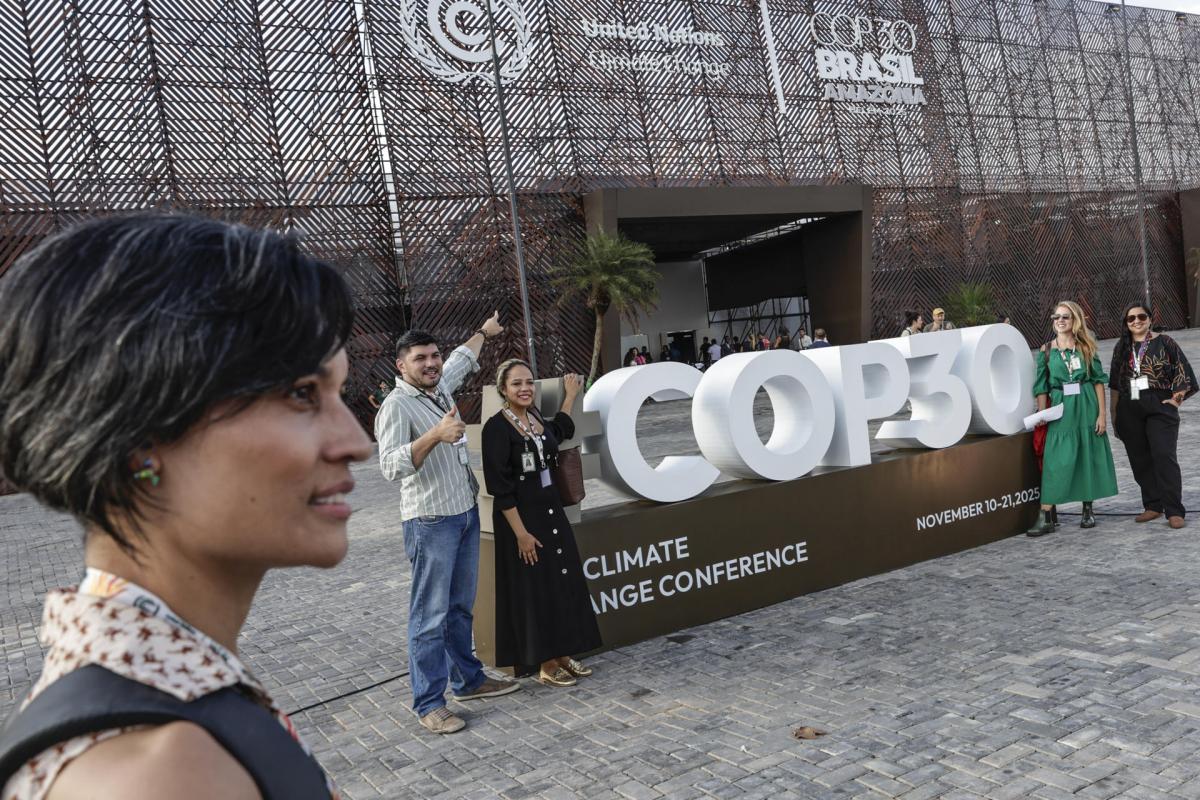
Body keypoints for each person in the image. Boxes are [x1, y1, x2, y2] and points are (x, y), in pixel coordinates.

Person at [0, 214, 373, 798]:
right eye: (302, 394)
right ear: (138, 439)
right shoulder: (158, 773)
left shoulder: (162, 694)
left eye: (339, 394)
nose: (356, 442)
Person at [375, 317, 521, 735]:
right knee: (430, 616)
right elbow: (389, 466)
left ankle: (469, 680)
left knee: (460, 607)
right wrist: (434, 435)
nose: (431, 363)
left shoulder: (439, 387)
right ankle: (429, 703)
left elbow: (462, 358)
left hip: (465, 513)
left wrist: (485, 331)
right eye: (420, 358)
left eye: (434, 355)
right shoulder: (396, 405)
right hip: (430, 521)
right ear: (401, 366)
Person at [482, 363, 602, 687]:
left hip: (551, 512)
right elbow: (500, 487)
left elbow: (560, 431)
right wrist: (521, 534)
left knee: (560, 581)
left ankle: (563, 653)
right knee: (536, 590)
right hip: (522, 519)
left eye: (529, 382)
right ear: (503, 389)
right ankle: (546, 663)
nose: (525, 388)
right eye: (516, 383)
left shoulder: (535, 418)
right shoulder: (497, 428)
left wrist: (570, 396)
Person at [1025, 301, 1118, 536]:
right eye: (1056, 317)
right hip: (1060, 407)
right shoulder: (1046, 350)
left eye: (1065, 316)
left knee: (1087, 454)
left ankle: (1087, 509)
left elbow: (1098, 381)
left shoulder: (1085, 347)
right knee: (1056, 460)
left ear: (1075, 320)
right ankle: (1046, 515)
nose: (1060, 320)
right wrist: (1042, 413)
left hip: (1086, 403)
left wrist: (1102, 415)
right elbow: (1041, 386)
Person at [1109, 302, 1196, 529]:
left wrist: (1176, 400)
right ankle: (1153, 505)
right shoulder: (1122, 347)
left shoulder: (1165, 342)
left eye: (1141, 316)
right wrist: (1114, 414)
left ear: (1149, 319)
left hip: (1159, 403)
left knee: (1163, 454)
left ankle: (1174, 510)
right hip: (1129, 405)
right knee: (1139, 458)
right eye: (1131, 318)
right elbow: (1115, 384)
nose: (1137, 321)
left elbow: (1183, 371)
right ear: (1126, 323)